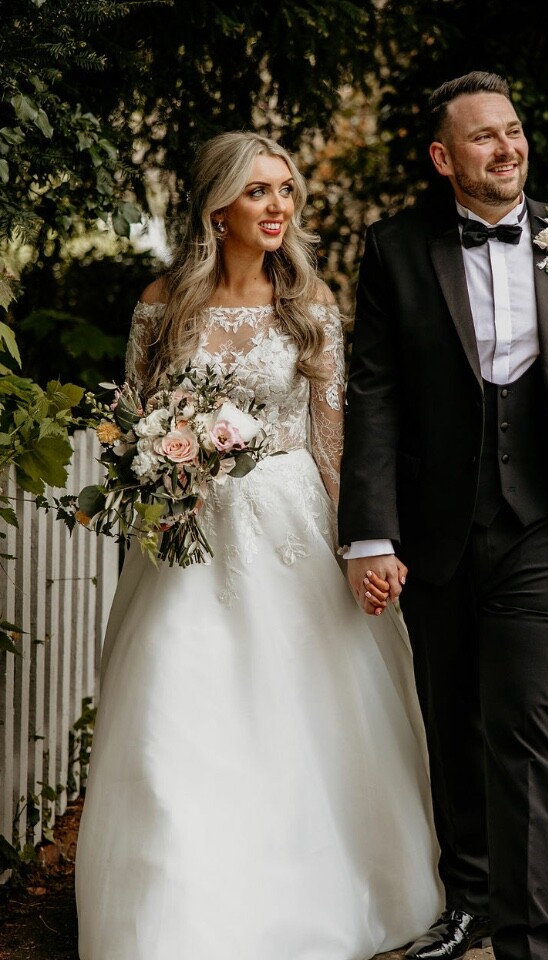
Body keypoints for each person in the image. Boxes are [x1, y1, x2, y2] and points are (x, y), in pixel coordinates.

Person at [75, 131, 444, 960]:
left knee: (303, 708)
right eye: (257, 191)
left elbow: (332, 441)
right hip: (186, 532)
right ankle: (174, 915)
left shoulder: (309, 304)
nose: (278, 206)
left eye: (285, 190)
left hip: (291, 527)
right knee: (178, 704)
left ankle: (311, 894)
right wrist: (158, 472)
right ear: (218, 207)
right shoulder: (162, 301)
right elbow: (131, 419)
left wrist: (361, 545)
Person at [338, 71, 548, 960]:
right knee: (454, 720)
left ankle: (528, 939)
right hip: (436, 528)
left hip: (547, 525)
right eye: (483, 136)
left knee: (524, 720)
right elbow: (375, 395)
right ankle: (469, 901)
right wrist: (371, 534)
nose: (506, 147)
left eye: (512, 130)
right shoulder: (396, 248)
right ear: (443, 158)